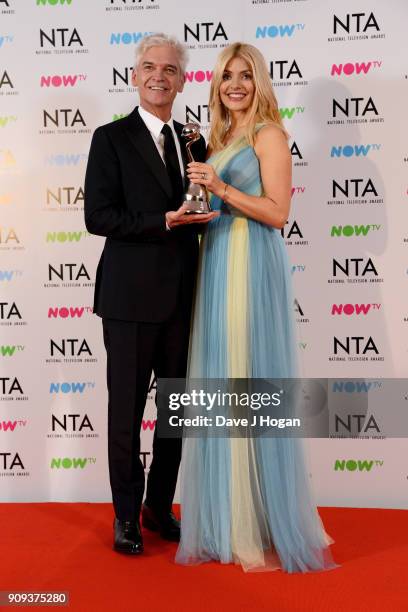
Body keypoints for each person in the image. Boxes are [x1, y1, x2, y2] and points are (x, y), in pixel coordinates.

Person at [175, 42, 336, 572]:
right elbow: (217, 204)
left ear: (260, 81)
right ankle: (230, 518)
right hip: (218, 260)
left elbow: (278, 212)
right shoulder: (221, 137)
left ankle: (254, 522)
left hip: (249, 264)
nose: (235, 85)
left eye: (245, 76)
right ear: (217, 85)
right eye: (227, 77)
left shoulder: (269, 133)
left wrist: (220, 186)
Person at [84, 33, 216, 555]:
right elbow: (99, 217)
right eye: (148, 67)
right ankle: (125, 516)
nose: (159, 75)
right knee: (125, 414)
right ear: (134, 76)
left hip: (185, 299)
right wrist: (163, 220)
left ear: (183, 80)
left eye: (169, 68)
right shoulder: (110, 138)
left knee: (176, 413)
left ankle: (158, 507)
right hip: (129, 301)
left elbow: (204, 205)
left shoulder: (194, 139)